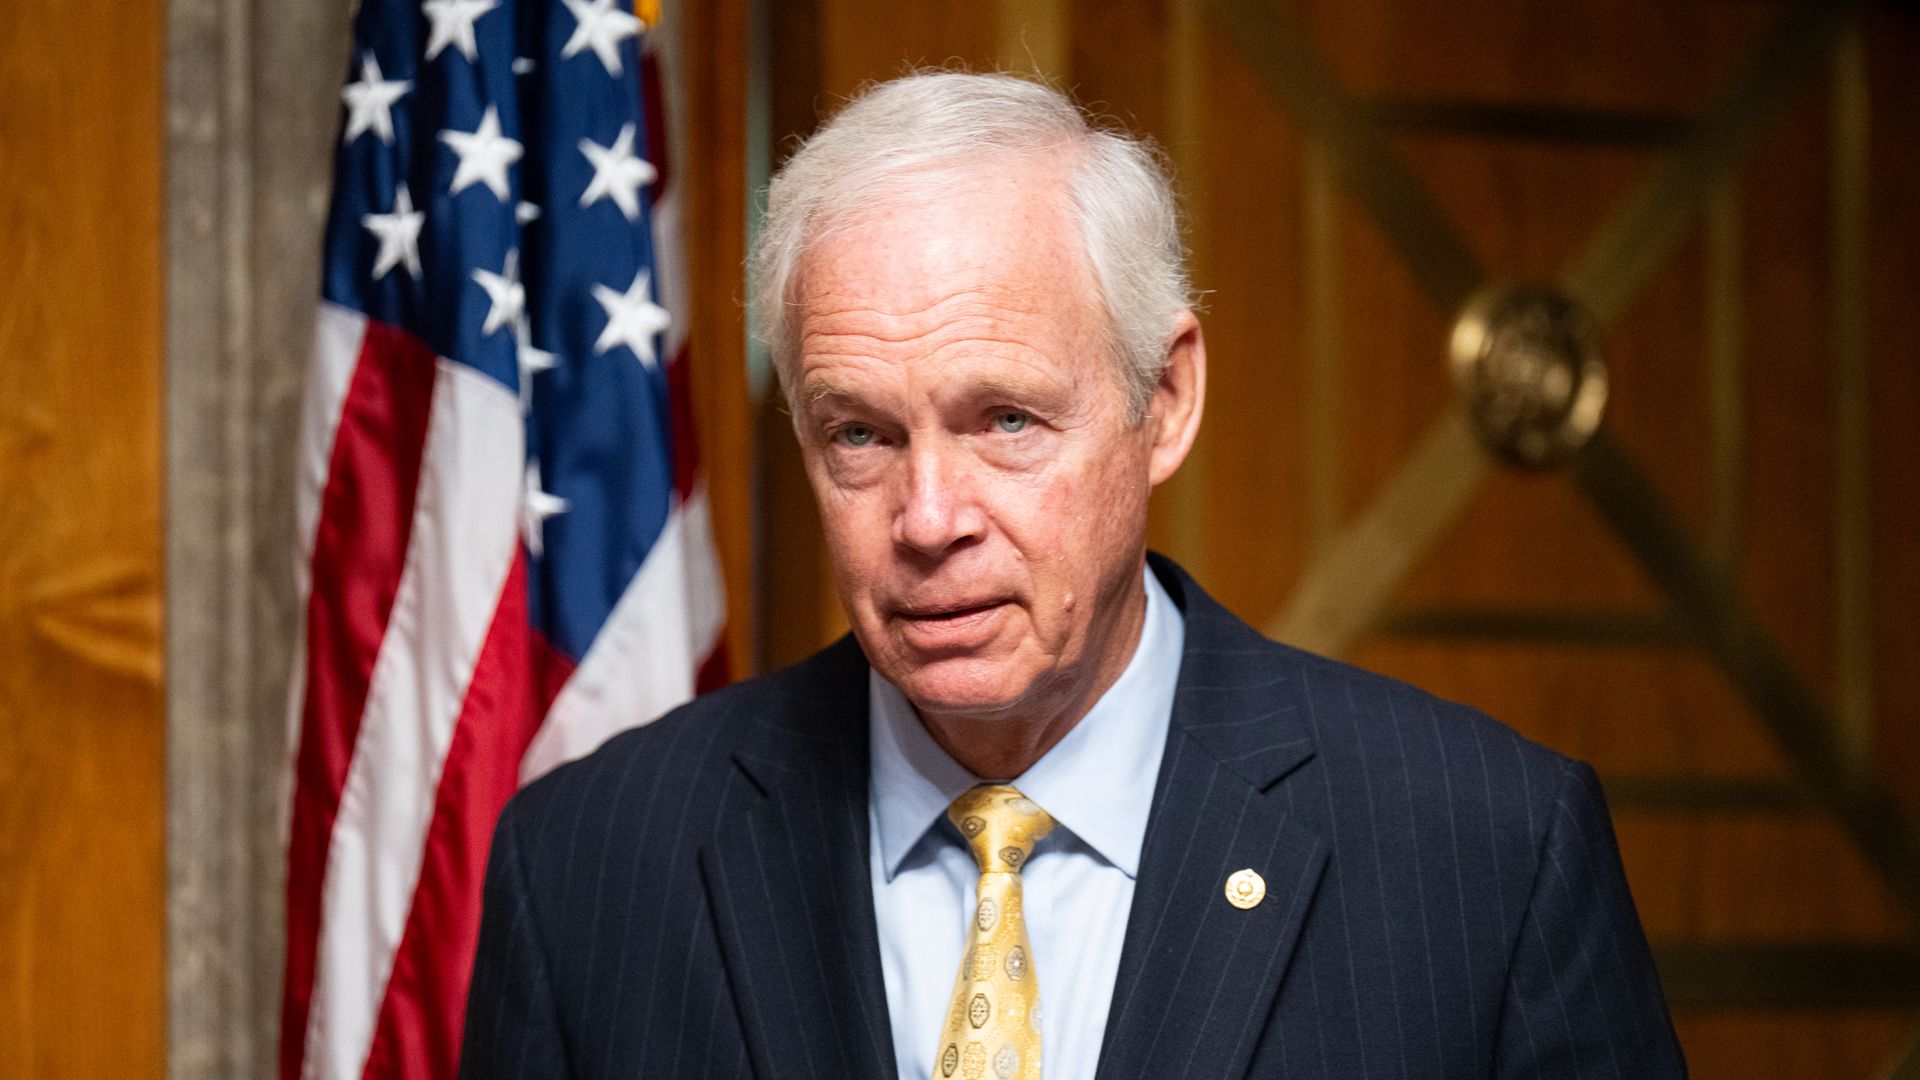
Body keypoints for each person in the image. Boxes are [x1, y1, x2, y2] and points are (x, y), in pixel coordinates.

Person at [459, 71, 1685, 1080]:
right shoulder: (587, 870)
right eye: (860, 435)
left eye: (1006, 420)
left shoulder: (1487, 855)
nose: (928, 520)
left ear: (1167, 398)